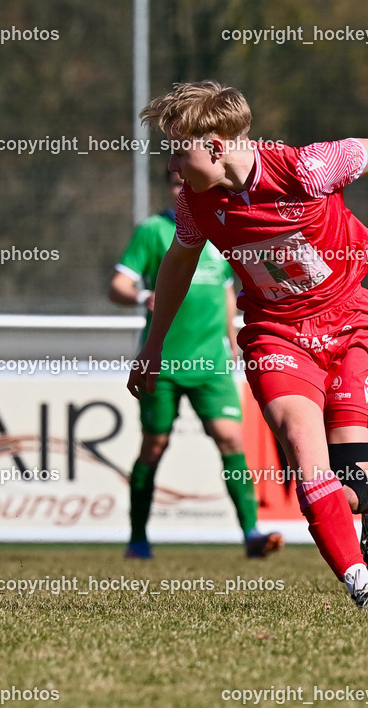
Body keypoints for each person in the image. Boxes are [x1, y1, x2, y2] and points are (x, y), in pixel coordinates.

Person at [128, 81, 368, 611]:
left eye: (177, 150)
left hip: (353, 323)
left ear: (215, 146)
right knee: (306, 455)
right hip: (277, 334)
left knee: (354, 478)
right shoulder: (195, 202)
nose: (171, 166)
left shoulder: (309, 167)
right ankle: (364, 590)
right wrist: (154, 346)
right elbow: (177, 267)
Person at [109, 171, 283, 560]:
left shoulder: (222, 227)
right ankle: (138, 540)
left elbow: (225, 290)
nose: (182, 187)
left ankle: (252, 534)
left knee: (232, 440)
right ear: (169, 188)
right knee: (154, 445)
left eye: (188, 180)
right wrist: (142, 296)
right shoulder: (153, 231)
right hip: (164, 361)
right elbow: (117, 286)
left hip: (213, 363)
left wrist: (233, 338)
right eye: (174, 181)